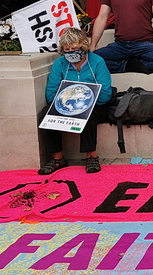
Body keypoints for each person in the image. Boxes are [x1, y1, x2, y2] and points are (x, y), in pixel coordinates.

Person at [38, 28, 112, 175]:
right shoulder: (60, 64)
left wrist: (85, 103)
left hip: (95, 105)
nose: (71, 53)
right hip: (66, 105)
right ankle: (58, 158)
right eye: (67, 50)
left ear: (83, 47)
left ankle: (91, 155)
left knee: (89, 115)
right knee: (45, 114)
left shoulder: (97, 62)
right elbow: (51, 93)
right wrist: (66, 106)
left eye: (74, 49)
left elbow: (105, 94)